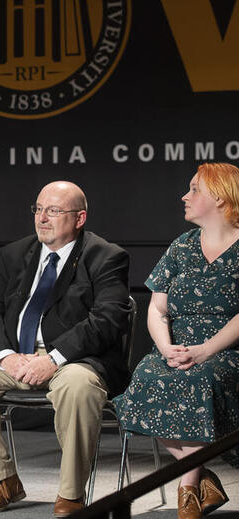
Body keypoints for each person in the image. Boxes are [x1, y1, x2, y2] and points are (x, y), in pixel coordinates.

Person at [0, 181, 130, 518]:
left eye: (54, 211)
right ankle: (0, 481)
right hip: (17, 359)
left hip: (73, 361)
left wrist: (53, 358)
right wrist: (7, 357)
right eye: (39, 209)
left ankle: (72, 493)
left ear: (79, 218)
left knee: (78, 387)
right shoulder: (14, 254)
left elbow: (107, 320)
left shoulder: (105, 256)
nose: (42, 218)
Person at [114, 162, 239, 519]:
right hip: (175, 348)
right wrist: (167, 348)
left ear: (220, 197)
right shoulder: (181, 247)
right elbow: (157, 309)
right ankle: (204, 479)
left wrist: (206, 349)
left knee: (198, 380)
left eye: (194, 189)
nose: (185, 196)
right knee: (147, 378)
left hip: (225, 350)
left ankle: (187, 491)